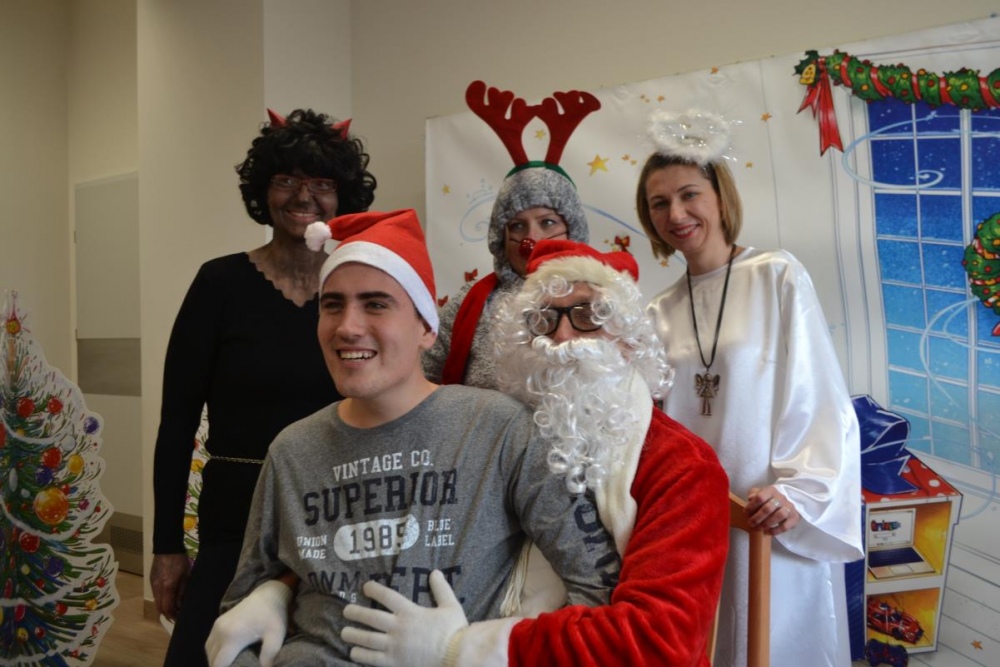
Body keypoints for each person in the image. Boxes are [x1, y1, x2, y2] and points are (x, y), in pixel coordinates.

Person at [210, 210, 618, 667]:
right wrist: (265, 602)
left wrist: (479, 652)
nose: (348, 327)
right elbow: (240, 617)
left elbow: (598, 589)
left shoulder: (500, 430)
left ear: (426, 328)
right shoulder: (291, 450)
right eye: (333, 305)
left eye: (375, 304)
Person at [340, 239, 731, 667]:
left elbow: (657, 643)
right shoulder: (496, 434)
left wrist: (463, 648)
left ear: (628, 338)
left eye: (587, 316)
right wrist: (289, 582)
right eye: (543, 320)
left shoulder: (682, 467)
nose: (561, 337)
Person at [151, 108, 376, 667]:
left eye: (321, 183)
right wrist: (166, 547)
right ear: (262, 191)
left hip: (336, 517)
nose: (304, 196)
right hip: (234, 519)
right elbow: (177, 422)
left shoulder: (357, 291)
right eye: (286, 180)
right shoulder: (218, 284)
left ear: (343, 196)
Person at [637, 110, 864, 666]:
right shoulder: (657, 311)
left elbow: (819, 395)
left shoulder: (776, 275)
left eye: (689, 195)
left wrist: (801, 492)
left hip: (771, 511)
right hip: (696, 519)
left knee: (774, 639)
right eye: (659, 203)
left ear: (720, 197)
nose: (676, 214)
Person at [423, 80, 594, 388]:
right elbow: (424, 378)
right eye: (517, 226)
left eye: (547, 223)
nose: (532, 238)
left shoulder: (599, 296)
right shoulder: (470, 302)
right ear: (499, 236)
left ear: (573, 230)